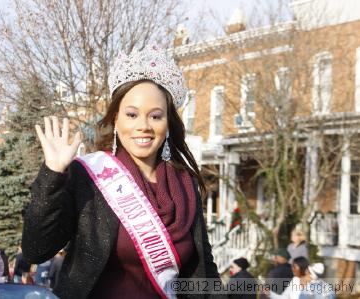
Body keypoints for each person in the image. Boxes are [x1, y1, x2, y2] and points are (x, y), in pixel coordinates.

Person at [22, 45, 221, 298]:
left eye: (156, 116)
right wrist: (53, 174)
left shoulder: (185, 184)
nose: (144, 126)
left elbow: (203, 272)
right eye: (132, 114)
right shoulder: (90, 175)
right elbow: (35, 250)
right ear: (116, 118)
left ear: (168, 123)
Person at [269, 257, 335, 299]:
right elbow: (285, 297)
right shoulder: (295, 281)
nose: (292, 269)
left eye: (294, 267)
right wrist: (270, 294)